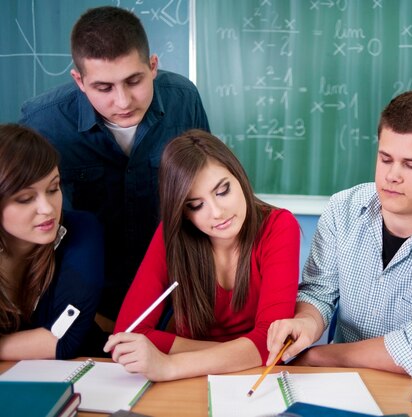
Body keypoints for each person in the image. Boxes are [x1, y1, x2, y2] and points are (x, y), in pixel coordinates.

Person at [266, 90, 412, 377]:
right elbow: (319, 293)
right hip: (341, 381)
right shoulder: (342, 209)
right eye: (385, 159)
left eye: (410, 165)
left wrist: (318, 356)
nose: (392, 175)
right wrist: (306, 324)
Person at [19, 6, 210, 326]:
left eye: (134, 81)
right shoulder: (44, 122)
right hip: (81, 301)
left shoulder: (183, 99)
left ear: (153, 67)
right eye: (103, 88)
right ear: (79, 81)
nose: (122, 102)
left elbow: (205, 186)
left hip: (173, 294)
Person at [103, 130, 300, 381]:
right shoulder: (172, 236)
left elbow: (271, 342)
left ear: (238, 176)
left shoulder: (279, 226)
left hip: (253, 377)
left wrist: (169, 365)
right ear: (183, 212)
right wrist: (246, 351)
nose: (217, 212)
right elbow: (127, 334)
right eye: (196, 205)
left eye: (223, 190)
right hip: (195, 379)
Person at [0, 124, 104, 360]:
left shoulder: (81, 231)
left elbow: (60, 340)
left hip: (87, 374)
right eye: (25, 199)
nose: (48, 209)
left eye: (53, 188)